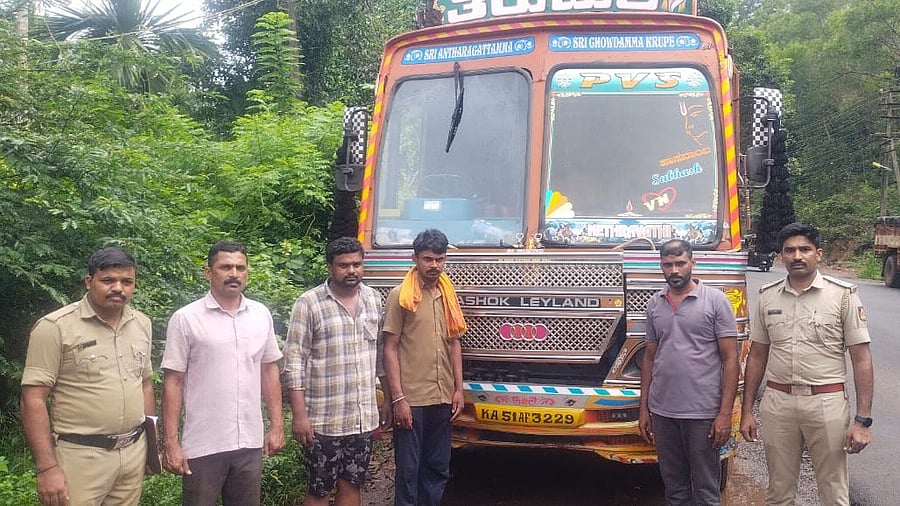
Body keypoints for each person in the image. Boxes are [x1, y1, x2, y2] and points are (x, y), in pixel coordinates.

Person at [740, 222, 874, 505]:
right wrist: (747, 410)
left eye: (805, 249)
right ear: (780, 256)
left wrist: (862, 421)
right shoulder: (767, 296)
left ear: (819, 254)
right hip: (777, 403)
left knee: (833, 491)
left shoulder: (843, 296)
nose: (797, 256)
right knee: (778, 491)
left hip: (826, 403)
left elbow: (861, 359)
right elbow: (757, 355)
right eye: (789, 250)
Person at [21, 247, 155, 506]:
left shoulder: (142, 324)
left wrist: (151, 447)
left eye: (127, 281)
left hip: (132, 454)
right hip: (80, 457)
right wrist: (47, 468)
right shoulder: (55, 327)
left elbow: (145, 385)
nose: (118, 288)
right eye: (108, 280)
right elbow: (32, 400)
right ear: (89, 281)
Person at [161, 240, 285, 505]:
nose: (234, 274)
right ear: (209, 273)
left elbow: (268, 370)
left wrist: (277, 425)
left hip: (249, 443)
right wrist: (170, 442)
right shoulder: (186, 319)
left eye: (240, 267)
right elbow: (174, 381)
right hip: (204, 444)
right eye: (226, 267)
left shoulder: (260, 315)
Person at [282, 237, 386, 506]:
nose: (351, 271)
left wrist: (384, 400)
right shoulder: (309, 304)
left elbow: (380, 357)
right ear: (330, 267)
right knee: (320, 489)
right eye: (343, 265)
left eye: (357, 264)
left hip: (361, 417)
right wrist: (300, 416)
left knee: (352, 484)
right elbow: (294, 363)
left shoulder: (374, 300)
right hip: (323, 421)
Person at [638, 239, 739, 505]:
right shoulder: (654, 304)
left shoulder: (716, 301)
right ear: (661, 266)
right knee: (674, 489)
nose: (675, 270)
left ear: (693, 263)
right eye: (668, 265)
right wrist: (644, 408)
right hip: (663, 412)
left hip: (703, 413)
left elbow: (731, 359)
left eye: (680, 263)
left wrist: (724, 414)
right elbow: (650, 357)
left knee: (706, 489)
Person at [383, 229, 466, 506]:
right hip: (412, 400)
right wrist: (398, 399)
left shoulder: (448, 294)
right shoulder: (401, 296)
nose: (434, 266)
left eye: (440, 259)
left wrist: (458, 390)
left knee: (438, 469)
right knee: (408, 472)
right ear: (415, 258)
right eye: (428, 259)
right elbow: (390, 348)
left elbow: (454, 344)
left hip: (442, 397)